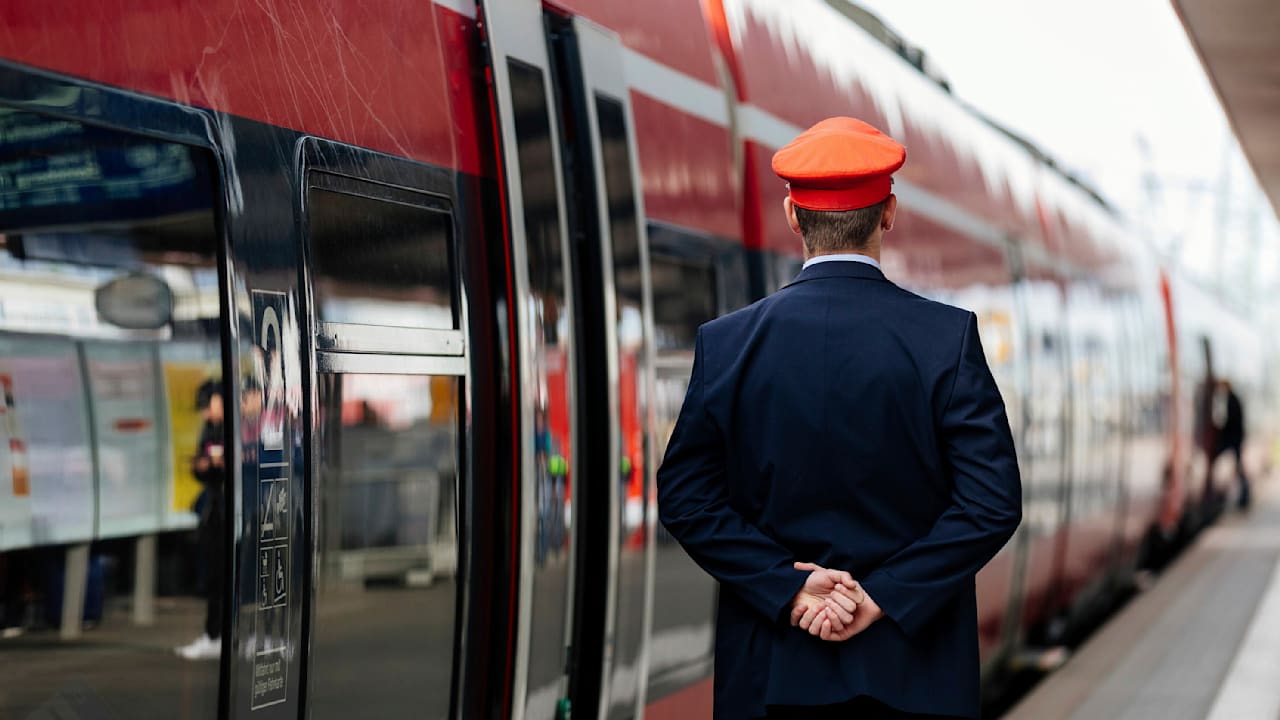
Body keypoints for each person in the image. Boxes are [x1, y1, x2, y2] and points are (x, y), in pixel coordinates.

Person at [656, 117, 1022, 720]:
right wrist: (881, 596)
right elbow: (992, 503)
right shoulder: (945, 340)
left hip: (771, 678)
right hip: (914, 677)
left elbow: (686, 499)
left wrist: (787, 585)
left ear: (793, 217)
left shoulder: (727, 345)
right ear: (889, 213)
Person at [177, 379, 226, 660]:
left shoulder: (236, 427)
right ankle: (213, 634)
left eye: (208, 406)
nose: (205, 414)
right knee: (214, 574)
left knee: (223, 577)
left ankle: (218, 634)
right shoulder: (209, 429)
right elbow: (200, 465)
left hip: (231, 511)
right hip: (214, 509)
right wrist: (202, 466)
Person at [1214, 379, 1250, 510]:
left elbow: (1231, 421)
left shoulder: (1231, 400)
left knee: (1236, 466)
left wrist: (1221, 432)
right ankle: (1244, 496)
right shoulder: (1233, 399)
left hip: (1234, 439)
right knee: (1239, 467)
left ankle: (1244, 496)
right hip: (1236, 438)